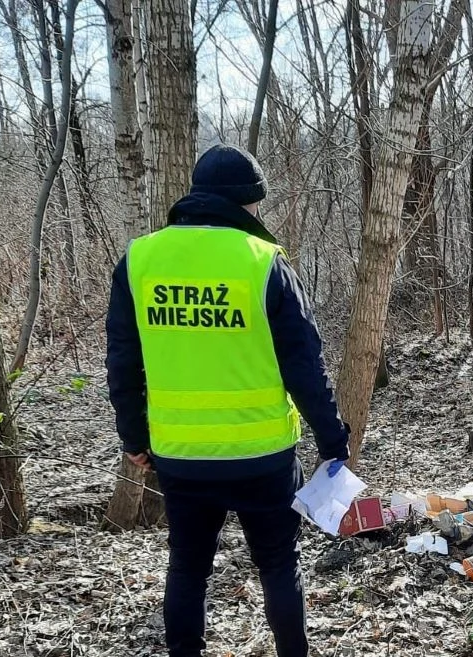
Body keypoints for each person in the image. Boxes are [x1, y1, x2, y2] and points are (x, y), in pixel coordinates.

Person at [105, 144, 350, 657]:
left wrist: (135, 437)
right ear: (247, 204)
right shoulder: (263, 263)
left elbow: (123, 360)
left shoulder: (140, 260)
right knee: (279, 565)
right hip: (261, 455)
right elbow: (303, 365)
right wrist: (332, 438)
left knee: (188, 568)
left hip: (182, 456)